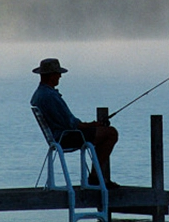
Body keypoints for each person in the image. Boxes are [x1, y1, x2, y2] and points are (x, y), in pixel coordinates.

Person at [30, 58, 120, 189]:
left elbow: (67, 121)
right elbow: (72, 124)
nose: (60, 76)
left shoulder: (39, 94)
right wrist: (92, 125)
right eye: (58, 73)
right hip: (65, 137)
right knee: (111, 133)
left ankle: (96, 176)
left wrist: (91, 125)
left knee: (104, 133)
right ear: (51, 76)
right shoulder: (49, 96)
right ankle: (95, 177)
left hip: (59, 136)